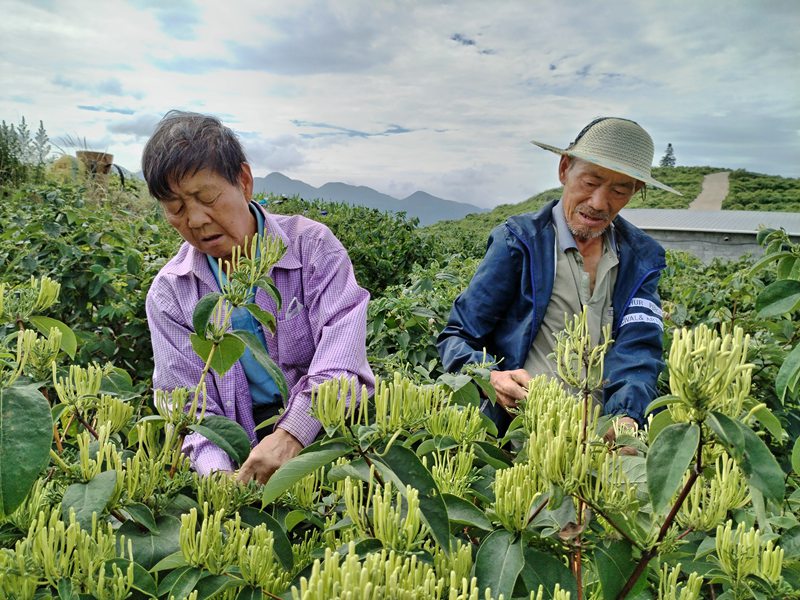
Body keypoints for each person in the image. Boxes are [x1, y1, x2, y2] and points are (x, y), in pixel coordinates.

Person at [143, 110, 374, 483]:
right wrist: (220, 478)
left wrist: (291, 435)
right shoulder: (171, 294)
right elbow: (187, 407)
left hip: (326, 444)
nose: (197, 220)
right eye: (176, 209)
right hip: (239, 463)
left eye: (207, 198)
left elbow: (343, 363)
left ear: (244, 182)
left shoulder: (314, 249)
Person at [437, 117, 681, 435]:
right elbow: (458, 336)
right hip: (518, 441)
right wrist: (489, 377)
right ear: (565, 169)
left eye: (620, 190)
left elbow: (638, 348)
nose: (598, 203)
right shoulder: (518, 242)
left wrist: (626, 417)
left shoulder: (640, 260)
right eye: (590, 183)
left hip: (598, 451)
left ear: (635, 191)